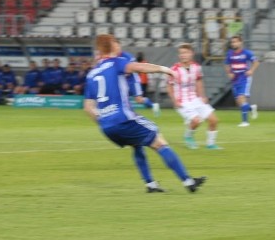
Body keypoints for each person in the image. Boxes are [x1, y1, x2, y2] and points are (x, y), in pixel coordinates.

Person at [84, 34, 206, 194]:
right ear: (112, 46)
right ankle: (188, 181)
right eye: (116, 42)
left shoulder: (91, 74)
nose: (119, 45)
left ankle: (150, 185)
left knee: (137, 145)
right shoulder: (116, 63)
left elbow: (88, 107)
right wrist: (165, 70)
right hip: (123, 119)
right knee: (160, 142)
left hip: (106, 126)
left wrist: (104, 121)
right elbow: (140, 68)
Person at [168, 43, 221, 151]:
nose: (183, 55)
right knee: (197, 121)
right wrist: (175, 101)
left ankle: (210, 144)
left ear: (191, 53)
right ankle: (188, 136)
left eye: (186, 52)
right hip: (182, 102)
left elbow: (199, 81)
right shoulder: (174, 69)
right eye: (181, 53)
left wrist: (202, 96)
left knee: (214, 120)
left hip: (195, 99)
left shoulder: (196, 67)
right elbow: (169, 87)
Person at [224, 35, 259, 127]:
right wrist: (229, 73)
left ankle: (245, 122)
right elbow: (227, 65)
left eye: (235, 41)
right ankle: (251, 108)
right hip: (235, 79)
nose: (233, 43)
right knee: (239, 102)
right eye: (232, 42)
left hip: (244, 78)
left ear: (240, 42)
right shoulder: (229, 53)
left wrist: (251, 70)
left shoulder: (247, 53)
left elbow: (256, 62)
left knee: (241, 98)